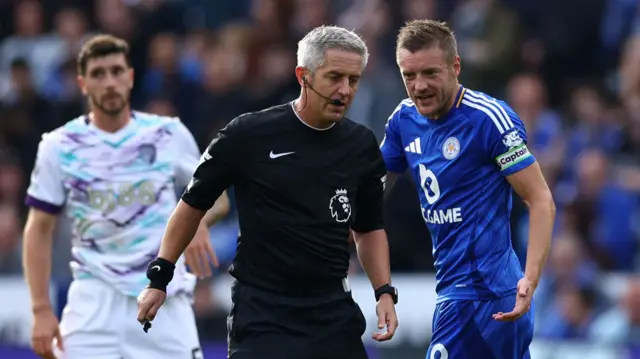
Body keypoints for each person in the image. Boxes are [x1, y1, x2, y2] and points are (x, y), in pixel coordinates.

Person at [137, 25, 399, 359]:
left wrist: (384, 292)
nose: (345, 90)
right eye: (334, 77)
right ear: (303, 75)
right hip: (263, 314)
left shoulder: (361, 145)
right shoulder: (248, 134)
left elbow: (369, 228)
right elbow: (192, 204)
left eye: (354, 79)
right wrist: (160, 277)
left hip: (332, 315)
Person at [22, 34, 227, 359]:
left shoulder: (167, 134)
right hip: (93, 299)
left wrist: (198, 220)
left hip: (162, 295)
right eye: (98, 74)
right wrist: (40, 309)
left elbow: (219, 197)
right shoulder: (59, 146)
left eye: (117, 71)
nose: (110, 82)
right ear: (83, 83)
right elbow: (39, 228)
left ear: (130, 77)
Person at [381, 20, 556, 358]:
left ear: (455, 67)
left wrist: (530, 280)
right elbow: (369, 189)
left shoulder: (488, 119)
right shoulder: (403, 120)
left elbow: (540, 199)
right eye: (409, 76)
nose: (419, 86)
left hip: (488, 296)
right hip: (455, 292)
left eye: (431, 73)